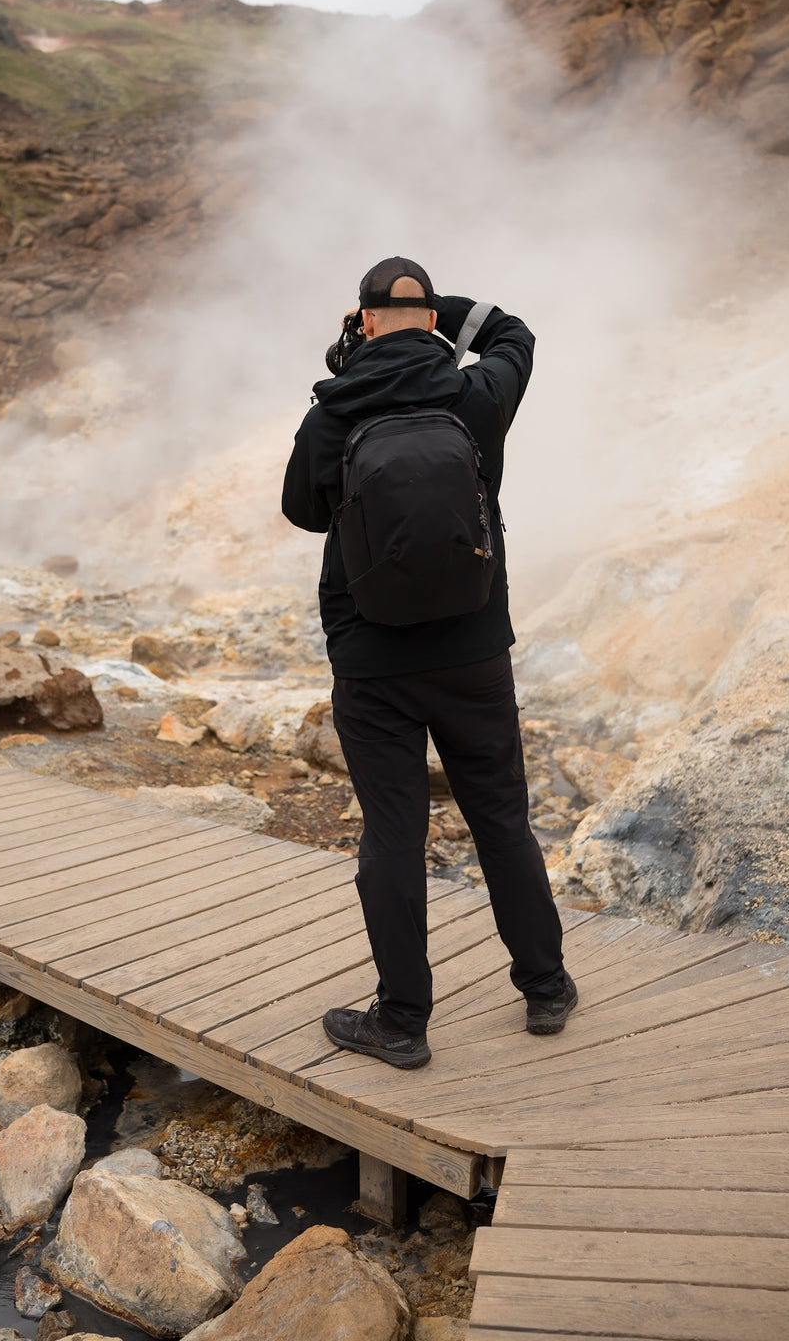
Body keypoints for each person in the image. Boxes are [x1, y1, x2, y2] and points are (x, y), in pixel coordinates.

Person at [281, 256, 576, 1070]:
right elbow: (514, 333)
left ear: (365, 320)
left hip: (372, 663)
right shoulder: (476, 396)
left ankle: (403, 1022)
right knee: (501, 820)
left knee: (393, 837)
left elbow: (303, 512)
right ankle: (545, 987)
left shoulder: (331, 413)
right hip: (474, 654)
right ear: (433, 321)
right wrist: (436, 307)